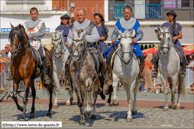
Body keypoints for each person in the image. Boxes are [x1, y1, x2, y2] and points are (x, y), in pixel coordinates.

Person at [65, 9, 111, 88]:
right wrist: (69, 43)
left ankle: (105, 78)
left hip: (89, 47)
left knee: (100, 59)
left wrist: (85, 37)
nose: (79, 17)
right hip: (77, 48)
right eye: (78, 15)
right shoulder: (73, 25)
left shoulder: (90, 24)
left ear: (84, 15)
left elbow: (96, 36)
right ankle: (68, 81)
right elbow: (69, 36)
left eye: (81, 15)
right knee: (68, 61)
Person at [104, 5, 145, 82]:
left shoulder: (136, 22)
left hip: (132, 44)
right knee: (109, 56)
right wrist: (113, 39)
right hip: (119, 43)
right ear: (123, 13)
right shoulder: (119, 22)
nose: (126, 14)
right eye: (125, 13)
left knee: (141, 56)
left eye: (128, 13)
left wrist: (136, 38)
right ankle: (109, 76)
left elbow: (140, 34)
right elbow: (114, 34)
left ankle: (140, 74)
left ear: (131, 13)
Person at [152, 10, 186, 79]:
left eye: (171, 16)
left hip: (175, 42)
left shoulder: (177, 25)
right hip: (165, 43)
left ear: (173, 17)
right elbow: (160, 34)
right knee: (157, 54)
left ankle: (183, 71)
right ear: (168, 16)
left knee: (183, 54)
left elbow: (181, 36)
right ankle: (155, 71)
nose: (170, 17)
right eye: (169, 16)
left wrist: (176, 37)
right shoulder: (164, 25)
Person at [23, 7, 50, 84]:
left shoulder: (41, 23)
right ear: (30, 14)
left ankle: (45, 75)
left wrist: (31, 36)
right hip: (27, 45)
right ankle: (13, 73)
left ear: (37, 14)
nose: (34, 15)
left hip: (37, 44)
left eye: (35, 14)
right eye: (32, 14)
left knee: (42, 56)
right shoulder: (25, 24)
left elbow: (41, 34)